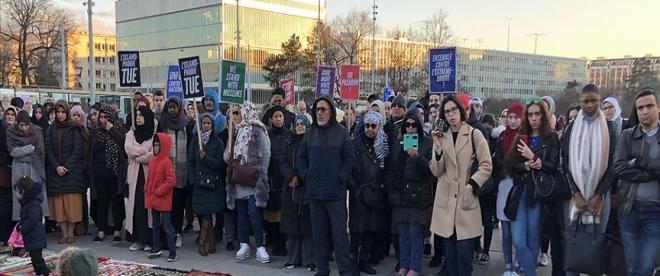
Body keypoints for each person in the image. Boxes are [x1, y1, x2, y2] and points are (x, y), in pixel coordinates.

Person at [429, 95, 493, 276]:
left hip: (466, 201)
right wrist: (438, 149)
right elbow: (436, 171)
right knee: (450, 261)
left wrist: (472, 185)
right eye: (447, 111)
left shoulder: (474, 134)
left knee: (464, 260)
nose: (451, 115)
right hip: (447, 203)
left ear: (462, 110)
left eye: (454, 110)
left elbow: (486, 164)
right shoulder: (442, 136)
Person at [562, 84, 617, 276]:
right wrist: (575, 193)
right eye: (585, 101)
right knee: (574, 244)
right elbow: (565, 164)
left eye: (594, 100)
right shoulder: (570, 129)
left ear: (600, 100)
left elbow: (613, 165)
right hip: (576, 197)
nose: (590, 105)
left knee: (595, 248)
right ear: (580, 102)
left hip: (600, 199)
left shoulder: (609, 128)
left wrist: (599, 195)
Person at [296, 95, 354, 276]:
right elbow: (300, 157)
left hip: (335, 194)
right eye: (317, 110)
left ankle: (345, 270)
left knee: (339, 237)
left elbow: (349, 159)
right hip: (315, 194)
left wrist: (341, 176)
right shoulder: (310, 133)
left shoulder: (342, 132)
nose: (319, 113)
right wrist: (306, 176)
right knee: (319, 236)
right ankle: (322, 270)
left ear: (331, 112)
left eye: (323, 109)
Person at [505, 97, 560, 276]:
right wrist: (529, 164)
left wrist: (535, 159)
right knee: (519, 240)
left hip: (538, 193)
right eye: (530, 114)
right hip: (521, 191)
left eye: (537, 114)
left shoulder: (551, 138)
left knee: (533, 239)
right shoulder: (522, 137)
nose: (534, 118)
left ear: (543, 116)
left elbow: (553, 167)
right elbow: (511, 166)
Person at [614, 88, 659, 276]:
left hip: (655, 213)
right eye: (640, 107)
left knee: (645, 266)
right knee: (632, 267)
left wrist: (641, 162)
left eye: (649, 106)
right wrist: (651, 174)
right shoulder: (627, 135)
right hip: (629, 208)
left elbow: (631, 166)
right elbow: (619, 167)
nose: (645, 111)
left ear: (658, 108)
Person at [388, 108, 434, 276]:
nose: (410, 128)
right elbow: (392, 168)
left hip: (419, 195)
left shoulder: (427, 143)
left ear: (419, 126)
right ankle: (403, 265)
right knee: (403, 233)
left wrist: (416, 156)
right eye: (407, 125)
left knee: (415, 233)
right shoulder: (398, 143)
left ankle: (414, 267)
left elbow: (431, 169)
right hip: (401, 194)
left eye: (414, 125)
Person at [225, 102, 271, 263]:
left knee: (254, 212)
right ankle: (244, 243)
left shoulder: (257, 129)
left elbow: (265, 152)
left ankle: (260, 245)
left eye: (237, 113)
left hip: (253, 178)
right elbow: (226, 156)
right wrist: (229, 154)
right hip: (238, 179)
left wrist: (261, 174)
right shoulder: (235, 131)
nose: (235, 116)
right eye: (233, 114)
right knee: (242, 213)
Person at [349, 111, 389, 275]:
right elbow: (348, 168)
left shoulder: (383, 145)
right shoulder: (354, 143)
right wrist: (356, 189)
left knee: (371, 229)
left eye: (373, 126)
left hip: (376, 193)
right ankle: (353, 262)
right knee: (357, 230)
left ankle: (364, 261)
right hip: (359, 192)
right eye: (367, 125)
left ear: (379, 127)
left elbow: (387, 169)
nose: (370, 129)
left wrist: (381, 188)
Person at [46, 100, 85, 244]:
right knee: (59, 205)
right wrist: (57, 166)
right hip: (55, 172)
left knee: (71, 205)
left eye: (63, 112)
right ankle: (64, 234)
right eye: (58, 112)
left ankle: (71, 234)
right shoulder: (51, 128)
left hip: (72, 173)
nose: (61, 115)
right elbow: (48, 149)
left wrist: (66, 167)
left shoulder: (74, 128)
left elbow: (77, 150)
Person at [187, 113, 226, 256]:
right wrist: (192, 179)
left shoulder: (218, 142)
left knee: (208, 215)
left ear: (212, 125)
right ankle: (212, 242)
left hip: (213, 184)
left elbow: (220, 164)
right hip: (199, 183)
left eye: (209, 123)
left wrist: (206, 158)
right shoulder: (195, 140)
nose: (206, 125)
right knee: (204, 214)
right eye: (204, 123)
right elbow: (190, 161)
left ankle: (202, 242)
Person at [280, 114, 315, 271]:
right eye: (297, 123)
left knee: (308, 228)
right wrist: (292, 176)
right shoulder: (289, 142)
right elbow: (283, 163)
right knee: (292, 227)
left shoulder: (313, 142)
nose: (300, 126)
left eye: (303, 123)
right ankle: (293, 258)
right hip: (291, 189)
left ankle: (310, 260)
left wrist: (301, 177)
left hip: (307, 188)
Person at [494, 102, 524, 276]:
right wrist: (504, 166)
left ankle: (519, 264)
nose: (512, 121)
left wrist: (512, 166)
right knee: (505, 231)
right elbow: (497, 159)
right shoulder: (501, 136)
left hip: (519, 187)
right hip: (504, 185)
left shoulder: (525, 136)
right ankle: (508, 266)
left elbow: (524, 163)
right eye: (509, 117)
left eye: (516, 117)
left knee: (518, 231)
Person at [90, 105, 127, 244]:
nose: (103, 120)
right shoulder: (96, 131)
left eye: (106, 117)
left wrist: (111, 129)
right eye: (101, 117)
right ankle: (101, 230)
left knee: (116, 202)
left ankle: (117, 230)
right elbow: (92, 151)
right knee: (102, 202)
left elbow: (123, 142)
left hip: (115, 173)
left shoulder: (119, 128)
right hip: (99, 173)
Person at [7, 111, 48, 233]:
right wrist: (29, 148)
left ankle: (38, 232)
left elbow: (40, 151)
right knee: (20, 199)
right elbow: (13, 152)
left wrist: (23, 152)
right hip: (19, 170)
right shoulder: (10, 132)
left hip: (34, 168)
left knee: (35, 200)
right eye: (21, 125)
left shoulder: (37, 131)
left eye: (26, 125)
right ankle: (21, 234)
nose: (24, 128)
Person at [124, 106, 156, 252]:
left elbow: (152, 154)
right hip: (134, 176)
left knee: (147, 207)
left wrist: (140, 155)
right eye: (137, 115)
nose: (138, 117)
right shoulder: (131, 133)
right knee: (136, 206)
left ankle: (148, 240)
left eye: (141, 115)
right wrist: (143, 152)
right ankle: (137, 239)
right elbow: (128, 148)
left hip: (148, 175)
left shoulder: (153, 134)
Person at [158, 97, 188, 247]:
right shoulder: (162, 125)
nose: (172, 110)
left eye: (175, 107)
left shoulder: (186, 125)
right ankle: (166, 234)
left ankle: (178, 233)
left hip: (181, 175)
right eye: (170, 107)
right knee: (166, 207)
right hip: (166, 175)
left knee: (178, 206)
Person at [145, 133, 177, 262]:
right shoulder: (153, 160)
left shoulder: (166, 162)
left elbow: (170, 180)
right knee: (155, 224)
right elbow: (150, 178)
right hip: (154, 198)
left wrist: (158, 191)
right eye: (154, 145)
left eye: (158, 145)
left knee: (167, 227)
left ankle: (172, 251)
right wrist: (147, 189)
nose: (156, 147)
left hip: (163, 199)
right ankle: (156, 247)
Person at [263, 105, 290, 256]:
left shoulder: (289, 135)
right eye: (275, 117)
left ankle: (282, 244)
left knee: (283, 215)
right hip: (270, 179)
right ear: (271, 119)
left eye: (280, 116)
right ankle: (273, 241)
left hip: (285, 180)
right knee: (271, 215)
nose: (278, 119)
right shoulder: (267, 135)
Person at [14, 177, 49, 275]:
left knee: (37, 259)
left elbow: (33, 220)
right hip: (32, 237)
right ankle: (39, 272)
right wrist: (19, 226)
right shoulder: (26, 203)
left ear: (23, 191)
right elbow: (25, 219)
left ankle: (44, 273)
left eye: (17, 192)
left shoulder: (34, 203)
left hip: (35, 237)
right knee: (35, 258)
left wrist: (22, 228)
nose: (16, 195)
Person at [0, 108, 15, 248]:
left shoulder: (17, 130)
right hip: (4, 171)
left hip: (16, 171)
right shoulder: (2, 129)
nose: (10, 117)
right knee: (4, 206)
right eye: (8, 114)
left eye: (12, 114)